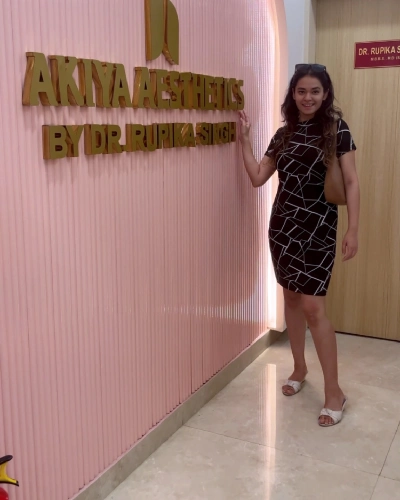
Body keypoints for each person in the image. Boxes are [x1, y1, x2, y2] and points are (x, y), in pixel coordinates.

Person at [238, 63, 360, 427]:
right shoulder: (284, 134)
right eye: (301, 91)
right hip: (283, 228)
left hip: (319, 228)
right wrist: (244, 142)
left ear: (326, 95)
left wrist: (354, 229)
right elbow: (258, 177)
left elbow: (351, 182)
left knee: (313, 308)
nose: (308, 98)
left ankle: (334, 392)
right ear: (293, 94)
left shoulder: (337, 130)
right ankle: (299, 368)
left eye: (315, 91)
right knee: (291, 298)